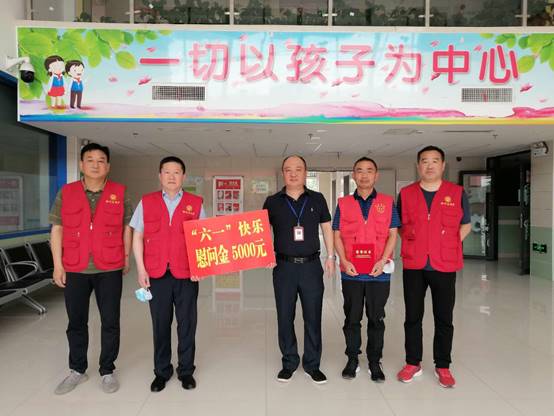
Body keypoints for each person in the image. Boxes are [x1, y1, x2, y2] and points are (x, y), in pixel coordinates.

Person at [50, 142, 133, 395]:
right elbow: (57, 229)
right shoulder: (67, 192)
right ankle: (77, 369)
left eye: (100, 160)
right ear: (81, 164)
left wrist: (126, 258)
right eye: (90, 160)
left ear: (108, 166)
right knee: (76, 321)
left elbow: (127, 228)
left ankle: (107, 370)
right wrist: (57, 265)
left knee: (110, 321)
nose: (95, 165)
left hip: (109, 267)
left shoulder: (120, 192)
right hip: (75, 267)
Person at [396, 145, 471, 388]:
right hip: (414, 264)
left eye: (435, 161)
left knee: (444, 318)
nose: (429, 165)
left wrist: (448, 244)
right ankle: (412, 363)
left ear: (443, 165)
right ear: (418, 165)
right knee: (412, 316)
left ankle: (443, 365)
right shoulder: (406, 193)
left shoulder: (457, 192)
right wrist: (416, 243)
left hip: (444, 264)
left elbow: (466, 224)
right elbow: (400, 226)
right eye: (425, 161)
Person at [131, 156, 206, 392]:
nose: (172, 176)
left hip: (186, 275)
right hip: (156, 275)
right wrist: (141, 269)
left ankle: (186, 371)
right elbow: (137, 236)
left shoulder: (196, 203)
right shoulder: (147, 202)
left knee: (187, 324)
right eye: (167, 172)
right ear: (160, 175)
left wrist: (200, 267)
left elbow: (204, 239)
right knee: (160, 324)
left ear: (184, 176)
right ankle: (161, 371)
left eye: (176, 172)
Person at [263, 155, 335, 384]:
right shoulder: (272, 201)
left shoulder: (317, 198)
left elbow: (327, 227)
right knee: (285, 316)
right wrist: (265, 254)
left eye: (298, 169)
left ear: (305, 172)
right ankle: (289, 362)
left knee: (313, 317)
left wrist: (331, 256)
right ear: (283, 173)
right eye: (288, 169)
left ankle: (312, 364)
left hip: (311, 267)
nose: (293, 173)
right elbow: (262, 232)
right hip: (283, 267)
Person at [333, 157, 400, 382]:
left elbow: (392, 234)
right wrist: (344, 260)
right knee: (351, 318)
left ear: (376, 175)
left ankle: (374, 361)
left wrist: (383, 260)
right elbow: (336, 235)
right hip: (351, 272)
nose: (364, 175)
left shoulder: (387, 202)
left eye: (369, 170)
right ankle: (352, 359)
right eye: (359, 171)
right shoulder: (343, 204)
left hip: (378, 274)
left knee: (376, 319)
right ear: (353, 175)